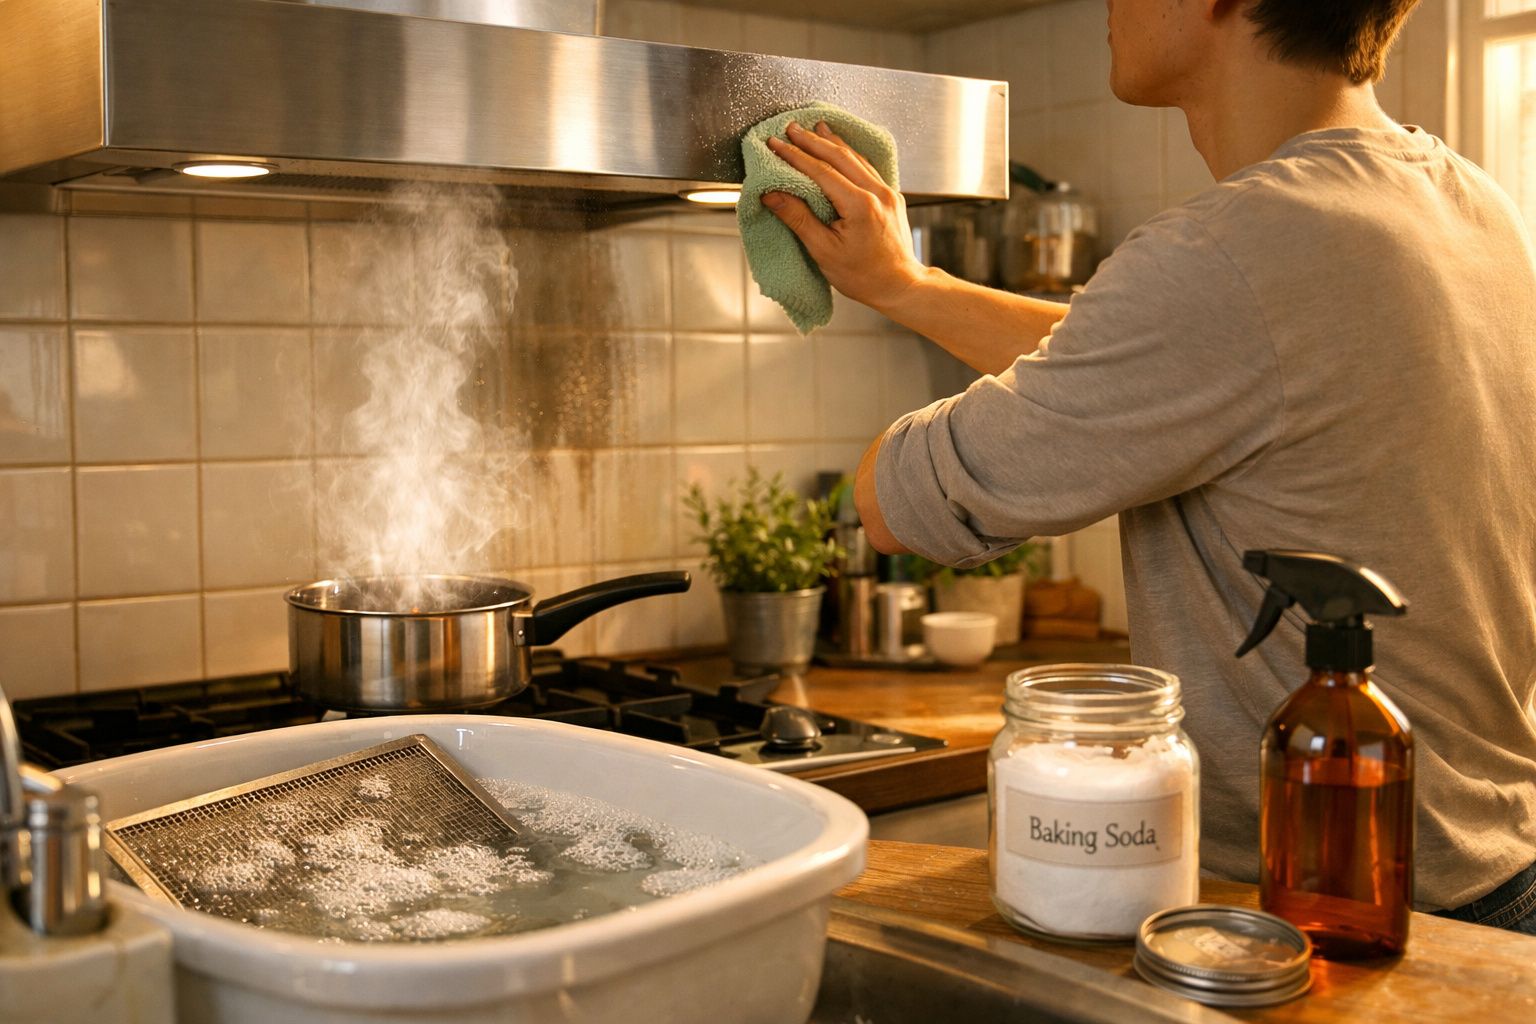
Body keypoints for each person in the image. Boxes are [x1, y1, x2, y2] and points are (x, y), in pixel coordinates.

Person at [760, 0, 1536, 932]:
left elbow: (892, 504)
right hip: (1492, 874)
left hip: (1351, 922)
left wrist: (902, 445)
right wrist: (905, 285)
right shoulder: (1461, 202)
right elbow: (1192, 363)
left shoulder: (1236, 247)